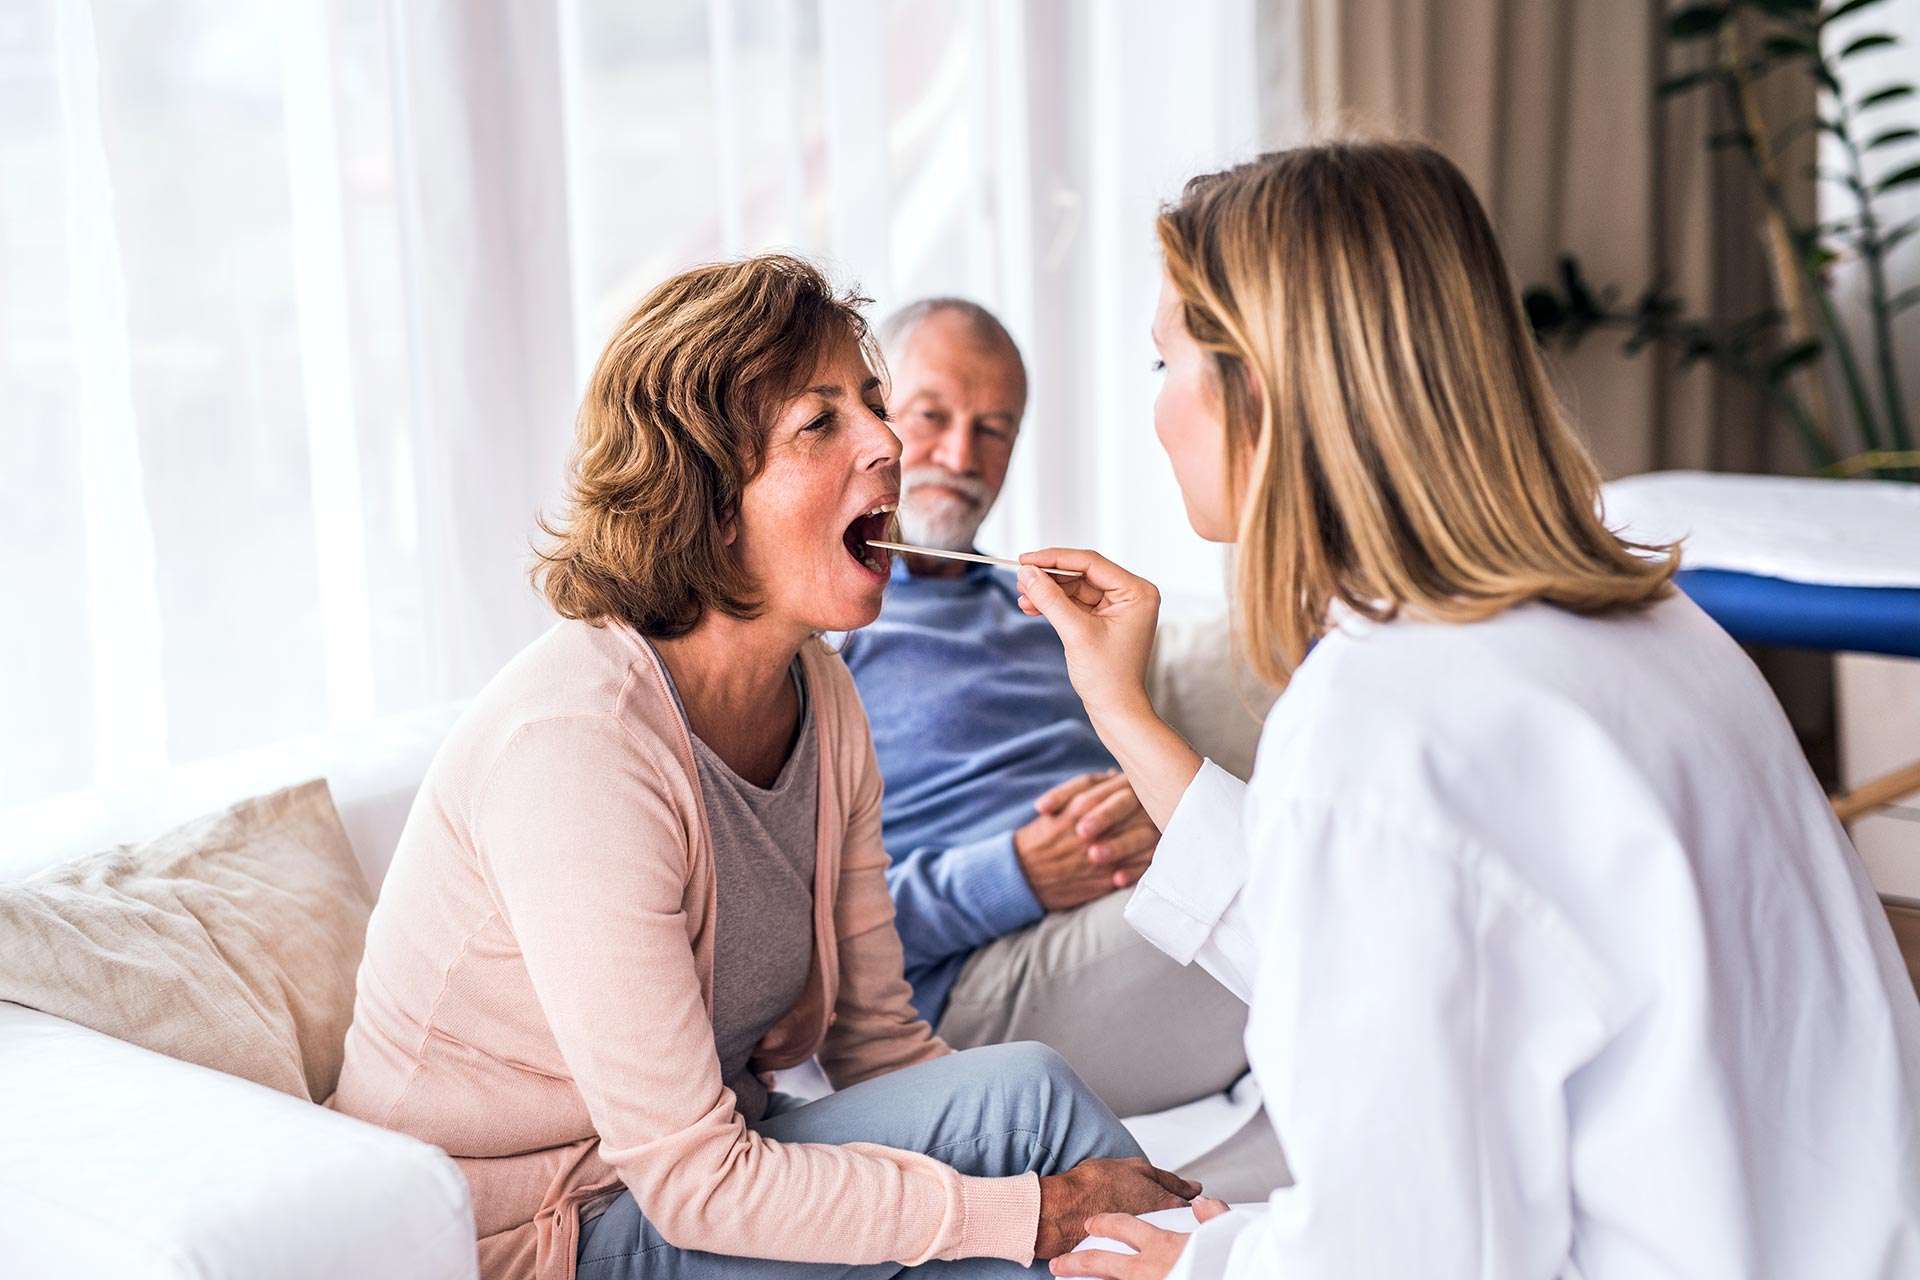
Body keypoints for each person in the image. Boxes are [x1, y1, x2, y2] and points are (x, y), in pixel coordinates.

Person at [1021, 143, 1920, 1278]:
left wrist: (1210, 1264)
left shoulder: (1384, 720)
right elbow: (1395, 944)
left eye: (1162, 363)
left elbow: (1418, 1251)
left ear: (1260, 383)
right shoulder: (1652, 628)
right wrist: (1123, 709)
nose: (1156, 414)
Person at [329, 254, 1197, 1280]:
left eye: (873, 407)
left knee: (1028, 1100)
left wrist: (1037, 1198)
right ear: (705, 490)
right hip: (541, 1238)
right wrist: (1027, 1210)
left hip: (692, 1178)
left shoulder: (823, 695)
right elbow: (695, 1179)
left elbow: (881, 1045)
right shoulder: (578, 743)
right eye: (821, 422)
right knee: (1021, 1212)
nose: (889, 445)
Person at [836, 299, 1252, 1121]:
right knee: (1314, 904)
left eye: (994, 429)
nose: (960, 455)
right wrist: (1016, 873)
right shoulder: (833, 631)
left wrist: (1158, 810)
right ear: (875, 418)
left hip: (1124, 901)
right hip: (973, 976)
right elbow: (805, 933)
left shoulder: (1046, 610)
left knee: (1314, 883)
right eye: (932, 417)